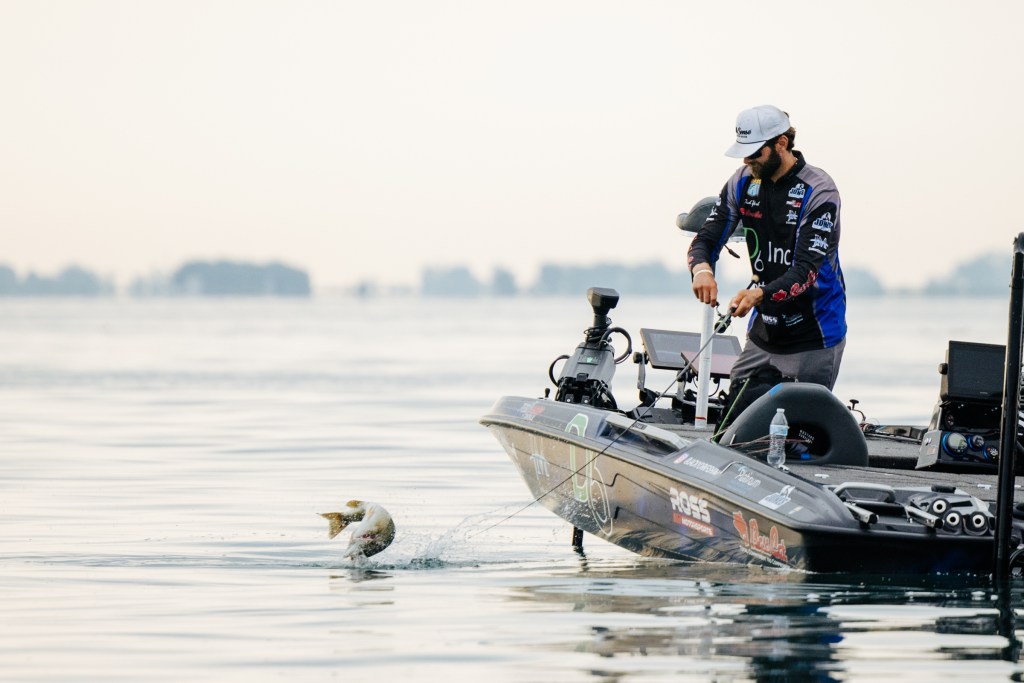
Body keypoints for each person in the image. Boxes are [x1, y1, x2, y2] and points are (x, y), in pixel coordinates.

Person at [687, 105, 847, 390]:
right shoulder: (742, 180)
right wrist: (701, 270)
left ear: (781, 143)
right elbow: (706, 238)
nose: (747, 160)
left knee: (798, 418)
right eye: (743, 152)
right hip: (764, 331)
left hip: (815, 333)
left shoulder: (820, 190)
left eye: (754, 152)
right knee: (736, 412)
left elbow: (806, 272)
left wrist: (757, 295)